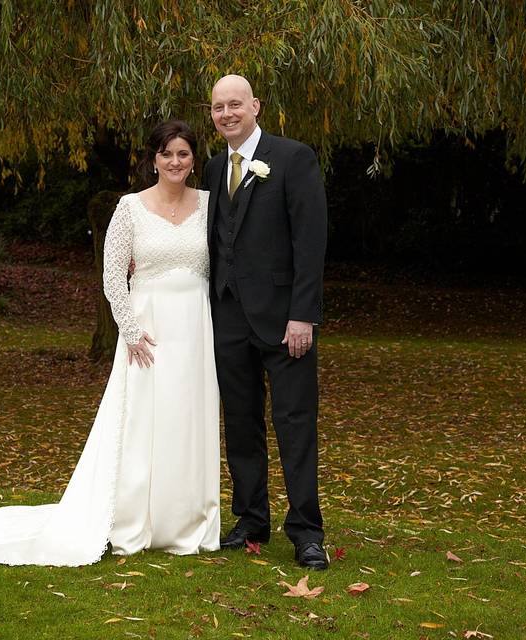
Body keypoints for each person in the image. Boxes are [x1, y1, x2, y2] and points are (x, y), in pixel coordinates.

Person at [0, 120, 220, 565]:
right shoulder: (130, 208)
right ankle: (137, 519)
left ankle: (188, 522)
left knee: (189, 420)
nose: (175, 162)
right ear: (153, 160)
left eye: (183, 153)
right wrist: (130, 330)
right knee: (145, 422)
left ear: (193, 158)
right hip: (149, 332)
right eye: (167, 154)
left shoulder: (210, 204)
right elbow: (112, 275)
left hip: (197, 329)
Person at [202, 75, 329, 570]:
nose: (227, 113)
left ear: (255, 105)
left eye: (235, 104)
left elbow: (310, 241)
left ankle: (306, 531)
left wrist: (303, 314)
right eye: (218, 107)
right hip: (229, 317)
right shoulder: (213, 168)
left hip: (284, 320)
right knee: (241, 423)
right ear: (211, 115)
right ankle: (251, 519)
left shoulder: (294, 157)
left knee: (295, 423)